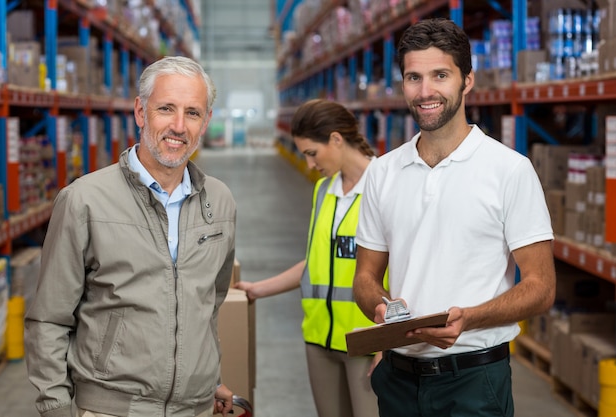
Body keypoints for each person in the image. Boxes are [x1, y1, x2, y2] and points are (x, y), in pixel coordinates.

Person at [352, 18, 556, 417]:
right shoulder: (383, 172)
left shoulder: (509, 170)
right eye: (414, 77)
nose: (425, 91)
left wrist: (470, 318)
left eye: (440, 75)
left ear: (467, 81)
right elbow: (365, 276)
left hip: (474, 382)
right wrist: (381, 309)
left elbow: (541, 286)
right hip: (397, 379)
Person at [24, 56, 237, 417]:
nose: (179, 126)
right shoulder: (84, 200)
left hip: (197, 408)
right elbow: (49, 318)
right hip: (112, 408)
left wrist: (205, 377)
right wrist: (56, 407)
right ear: (140, 112)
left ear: (207, 122)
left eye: (193, 113)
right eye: (166, 109)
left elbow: (206, 304)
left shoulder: (219, 201)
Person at [235, 98, 382, 417]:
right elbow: (316, 262)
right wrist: (259, 289)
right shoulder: (323, 190)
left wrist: (390, 341)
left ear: (336, 139)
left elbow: (407, 269)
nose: (310, 165)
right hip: (319, 339)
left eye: (312, 154)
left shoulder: (386, 188)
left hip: (366, 342)